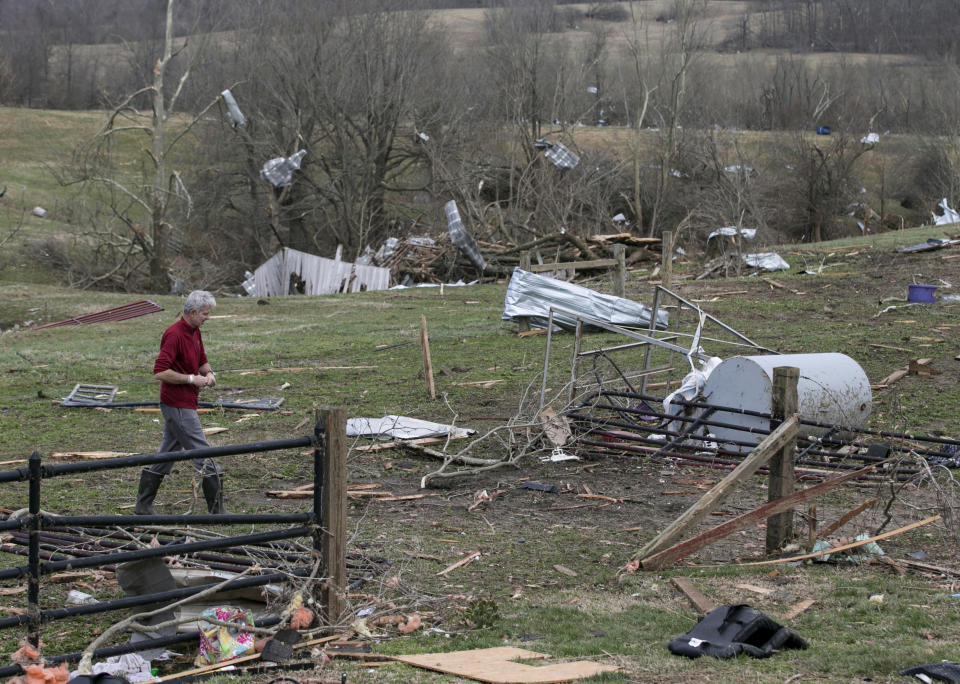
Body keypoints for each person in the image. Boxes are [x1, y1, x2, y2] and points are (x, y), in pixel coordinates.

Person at [135, 290, 227, 515]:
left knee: (167, 454)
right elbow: (160, 372)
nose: (208, 318)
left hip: (186, 402)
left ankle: (143, 505)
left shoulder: (195, 331)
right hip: (177, 405)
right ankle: (217, 512)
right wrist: (191, 379)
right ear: (193, 312)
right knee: (203, 455)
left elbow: (202, 360)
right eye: (205, 314)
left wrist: (210, 373)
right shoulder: (174, 334)